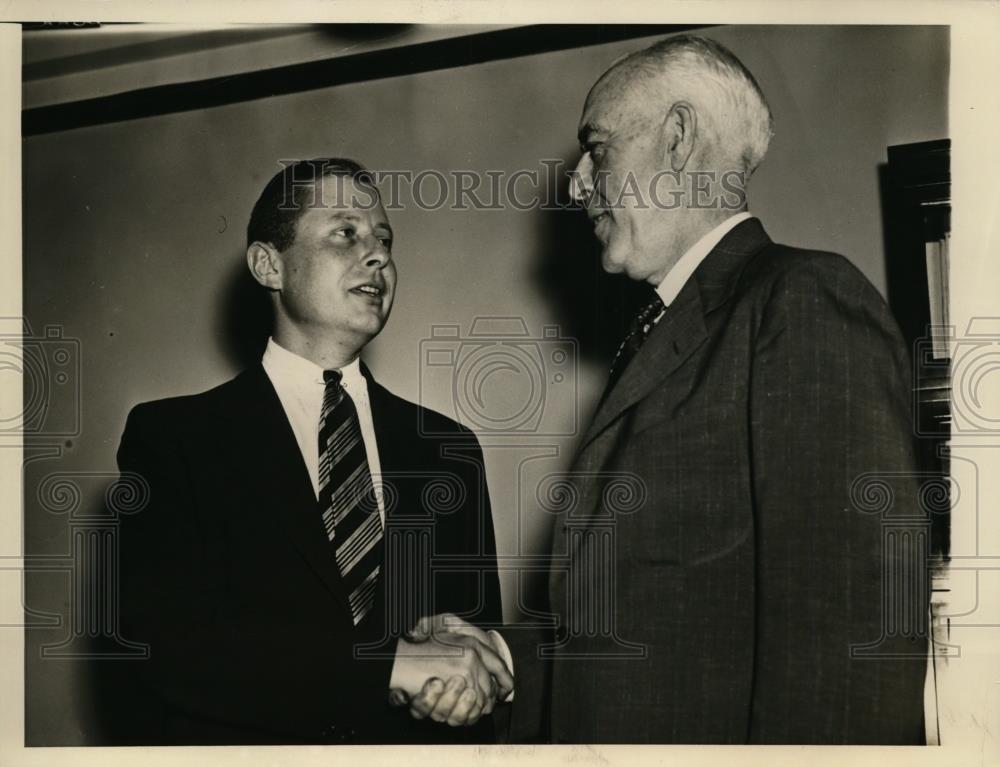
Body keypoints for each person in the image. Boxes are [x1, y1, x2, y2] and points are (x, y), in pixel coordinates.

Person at [403, 34, 928, 744]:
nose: (577, 182)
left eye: (597, 147)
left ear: (677, 139)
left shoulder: (799, 300)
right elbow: (664, 630)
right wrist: (500, 657)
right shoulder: (666, 333)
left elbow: (847, 635)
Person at [102, 159, 513, 745]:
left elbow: (471, 648)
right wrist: (390, 667)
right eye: (346, 232)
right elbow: (165, 647)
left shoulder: (448, 450)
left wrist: (469, 684)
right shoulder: (175, 438)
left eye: (385, 240)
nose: (378, 256)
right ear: (268, 265)